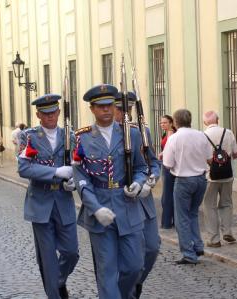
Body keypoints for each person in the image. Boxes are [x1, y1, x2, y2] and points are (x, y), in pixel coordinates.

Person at [73, 84, 148, 299]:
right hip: (100, 208)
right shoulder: (81, 138)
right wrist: (95, 208)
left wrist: (139, 183)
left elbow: (142, 167)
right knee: (107, 271)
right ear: (92, 109)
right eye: (101, 106)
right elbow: (81, 179)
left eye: (110, 105)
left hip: (127, 207)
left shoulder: (130, 134)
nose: (106, 110)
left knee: (134, 267)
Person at [18, 94, 79, 299]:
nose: (50, 116)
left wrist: (74, 183)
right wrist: (54, 173)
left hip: (64, 201)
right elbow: (23, 168)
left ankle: (59, 280)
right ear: (38, 115)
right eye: (45, 113)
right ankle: (54, 294)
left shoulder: (70, 136)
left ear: (59, 112)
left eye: (53, 112)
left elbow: (78, 165)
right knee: (48, 259)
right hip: (40, 203)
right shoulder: (29, 137)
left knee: (71, 253)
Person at [114, 91, 161, 299]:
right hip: (121, 200)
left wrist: (152, 180)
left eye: (129, 109)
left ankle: (137, 283)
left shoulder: (142, 131)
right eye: (122, 109)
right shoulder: (106, 135)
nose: (127, 113)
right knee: (128, 256)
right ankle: (128, 291)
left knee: (152, 248)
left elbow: (153, 162)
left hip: (143, 201)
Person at [163, 109, 213, 265]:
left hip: (183, 179)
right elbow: (210, 159)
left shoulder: (175, 138)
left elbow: (167, 164)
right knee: (193, 214)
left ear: (175, 122)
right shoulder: (201, 135)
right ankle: (198, 246)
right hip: (201, 179)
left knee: (181, 218)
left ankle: (188, 253)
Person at [202, 111, 237, 247]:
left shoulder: (203, 136)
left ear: (205, 122)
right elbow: (236, 153)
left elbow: (202, 156)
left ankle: (214, 239)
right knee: (227, 203)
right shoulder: (228, 133)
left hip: (209, 176)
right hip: (227, 175)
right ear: (217, 120)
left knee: (209, 206)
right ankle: (227, 231)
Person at [158, 115, 176, 229]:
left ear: (171, 123)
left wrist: (162, 153)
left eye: (165, 122)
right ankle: (168, 221)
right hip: (165, 165)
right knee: (167, 194)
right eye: (161, 123)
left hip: (170, 166)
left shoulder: (172, 134)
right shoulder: (165, 133)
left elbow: (169, 149)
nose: (162, 125)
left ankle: (167, 222)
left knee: (167, 194)